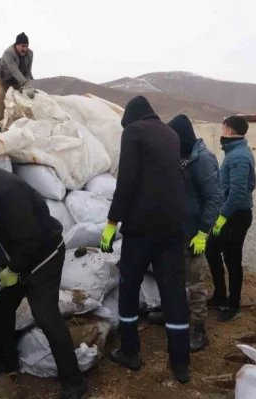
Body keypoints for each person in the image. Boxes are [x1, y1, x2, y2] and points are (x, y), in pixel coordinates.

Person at [0, 153, 87, 399]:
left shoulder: (9, 193)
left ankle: (74, 382)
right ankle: (7, 361)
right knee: (0, 307)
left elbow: (30, 240)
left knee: (45, 315)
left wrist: (15, 272)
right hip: (18, 260)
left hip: (44, 257)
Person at [100, 96, 191, 383]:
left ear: (131, 118)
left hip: (142, 228)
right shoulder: (171, 134)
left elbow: (126, 181)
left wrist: (111, 223)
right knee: (174, 292)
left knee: (128, 287)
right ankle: (181, 365)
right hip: (174, 228)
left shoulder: (134, 131)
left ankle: (131, 353)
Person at [167, 114, 222, 351]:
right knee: (176, 278)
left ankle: (199, 330)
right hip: (178, 229)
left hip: (194, 233)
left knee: (194, 282)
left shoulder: (202, 160)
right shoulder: (182, 157)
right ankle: (177, 314)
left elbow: (214, 198)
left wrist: (203, 232)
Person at [205, 116, 256, 322]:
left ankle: (234, 305)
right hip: (229, 214)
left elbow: (238, 192)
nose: (221, 132)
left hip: (235, 216)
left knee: (232, 259)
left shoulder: (239, 156)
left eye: (222, 128)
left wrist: (222, 217)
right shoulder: (234, 152)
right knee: (212, 250)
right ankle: (219, 295)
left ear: (228, 131)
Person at [0, 32, 35, 131]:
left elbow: (28, 71)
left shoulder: (30, 54)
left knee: (20, 104)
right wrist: (26, 84)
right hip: (3, 81)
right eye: (22, 46)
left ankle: (16, 128)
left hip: (17, 82)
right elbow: (14, 70)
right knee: (0, 99)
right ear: (16, 45)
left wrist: (26, 86)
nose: (25, 49)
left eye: (26, 46)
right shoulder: (8, 53)